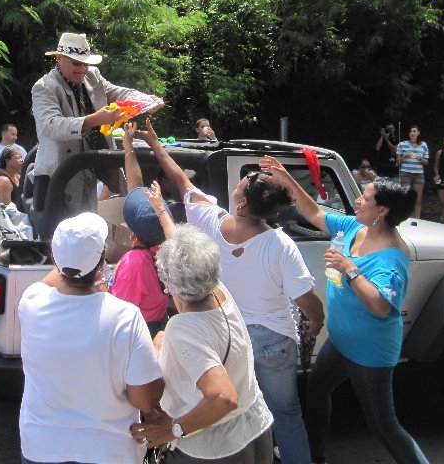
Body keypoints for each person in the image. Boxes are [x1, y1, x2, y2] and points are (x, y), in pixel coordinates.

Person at [136, 119, 324, 464]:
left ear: (239, 204)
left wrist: (154, 145)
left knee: (232, 402)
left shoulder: (209, 221)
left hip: (223, 334)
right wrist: (315, 321)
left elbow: (180, 180)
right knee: (285, 414)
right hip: (273, 339)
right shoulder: (281, 244)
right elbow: (306, 300)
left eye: (238, 187)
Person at [260, 155, 430, 464]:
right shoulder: (355, 227)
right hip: (341, 342)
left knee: (383, 425)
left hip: (370, 353)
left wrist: (349, 268)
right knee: (317, 387)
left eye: (365, 197)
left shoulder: (392, 258)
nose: (357, 199)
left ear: (382, 210)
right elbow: (312, 212)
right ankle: (314, 454)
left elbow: (380, 307)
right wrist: (284, 175)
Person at [18, 212, 164, 464]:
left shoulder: (31, 302)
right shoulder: (125, 316)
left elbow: (62, 274)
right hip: (109, 452)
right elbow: (144, 399)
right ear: (103, 258)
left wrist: (76, 256)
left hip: (41, 448)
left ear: (54, 257)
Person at [128, 224, 274, 463]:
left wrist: (172, 430)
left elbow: (224, 397)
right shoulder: (217, 290)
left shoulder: (182, 329)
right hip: (254, 428)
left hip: (217, 449)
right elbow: (188, 254)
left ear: (168, 284)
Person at [31, 32, 163, 217]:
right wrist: (94, 120)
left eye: (86, 63)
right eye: (77, 63)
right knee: (58, 231)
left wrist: (146, 101)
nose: (83, 68)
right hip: (59, 173)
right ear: (59, 59)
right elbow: (50, 126)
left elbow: (117, 92)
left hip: (89, 167)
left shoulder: (92, 76)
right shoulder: (44, 87)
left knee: (88, 220)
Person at [108, 122, 171, 336]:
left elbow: (116, 310)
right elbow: (135, 185)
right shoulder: (166, 248)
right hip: (155, 327)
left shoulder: (134, 262)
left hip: (135, 334)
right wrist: (129, 147)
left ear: (133, 230)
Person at [396, 125, 429, 219]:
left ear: (418, 133)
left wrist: (420, 158)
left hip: (418, 174)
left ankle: (417, 220)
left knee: (418, 199)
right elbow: (397, 161)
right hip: (405, 173)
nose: (412, 133)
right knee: (406, 197)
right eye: (411, 131)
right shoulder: (402, 144)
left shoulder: (423, 145)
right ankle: (404, 218)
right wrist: (404, 156)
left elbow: (426, 162)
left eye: (414, 131)